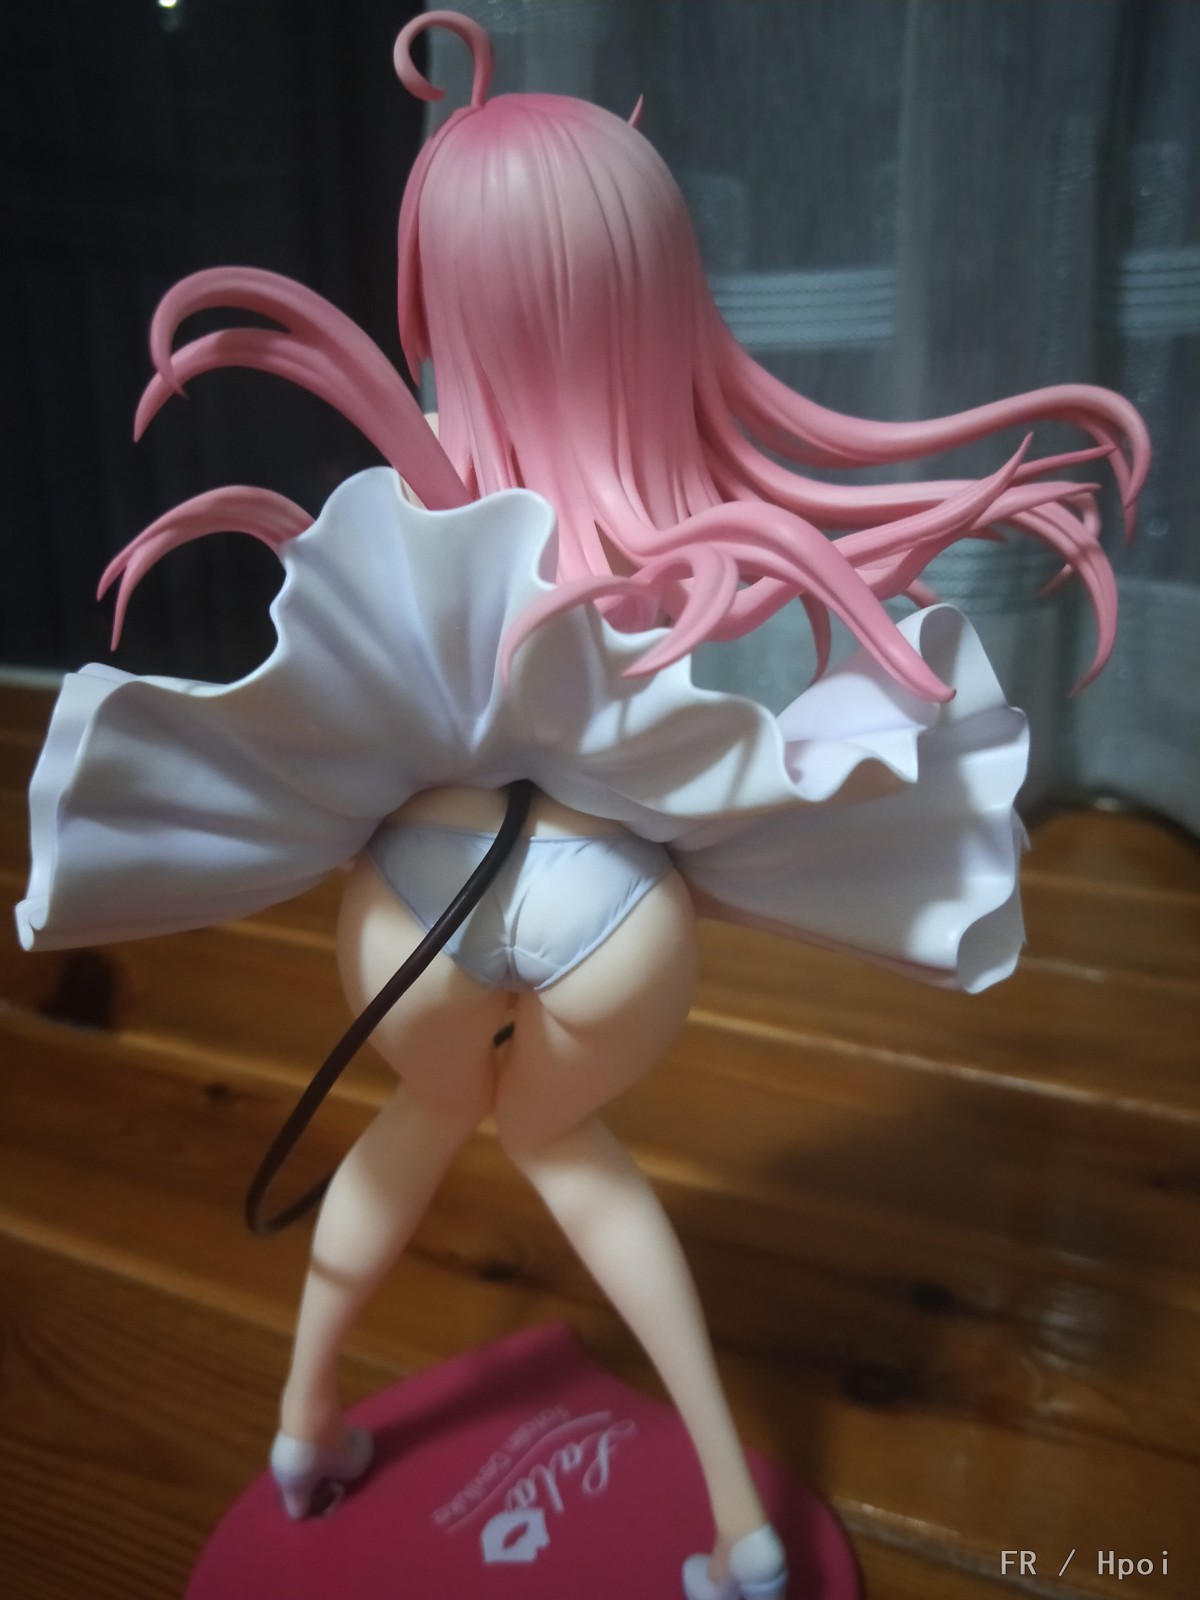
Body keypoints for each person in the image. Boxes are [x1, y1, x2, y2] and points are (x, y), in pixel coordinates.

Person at [16, 12, 1148, 1598]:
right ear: (655, 288)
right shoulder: (689, 503)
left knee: (421, 1121)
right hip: (615, 911)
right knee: (572, 1153)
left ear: (440, 296)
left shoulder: (416, 498)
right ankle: (740, 1527)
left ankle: (300, 1429)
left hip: (416, 893)